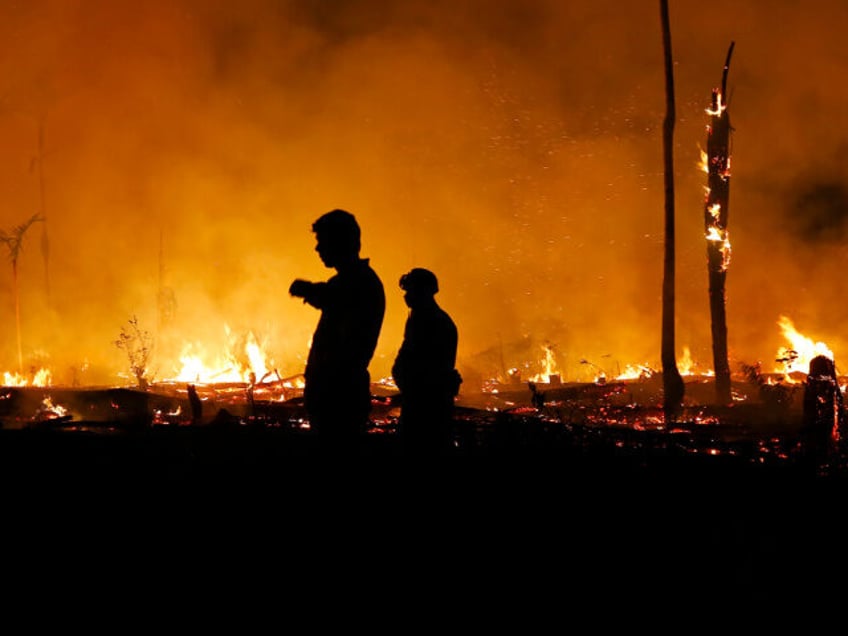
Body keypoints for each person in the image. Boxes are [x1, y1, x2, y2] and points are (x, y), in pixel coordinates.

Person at [289, 209, 385, 452]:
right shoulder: (353, 281)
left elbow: (333, 297)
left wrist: (307, 290)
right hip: (335, 396)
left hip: (339, 398)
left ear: (340, 241)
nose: (318, 249)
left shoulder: (359, 282)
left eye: (322, 241)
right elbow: (332, 295)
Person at [391, 268, 461, 457]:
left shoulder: (434, 322)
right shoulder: (420, 318)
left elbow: (426, 369)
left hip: (427, 408)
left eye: (410, 290)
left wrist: (408, 384)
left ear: (424, 291)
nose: (407, 296)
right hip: (419, 401)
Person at [800, 354, 846, 471]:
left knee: (816, 443)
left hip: (814, 421)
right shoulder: (827, 383)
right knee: (825, 443)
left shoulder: (812, 382)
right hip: (824, 420)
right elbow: (835, 402)